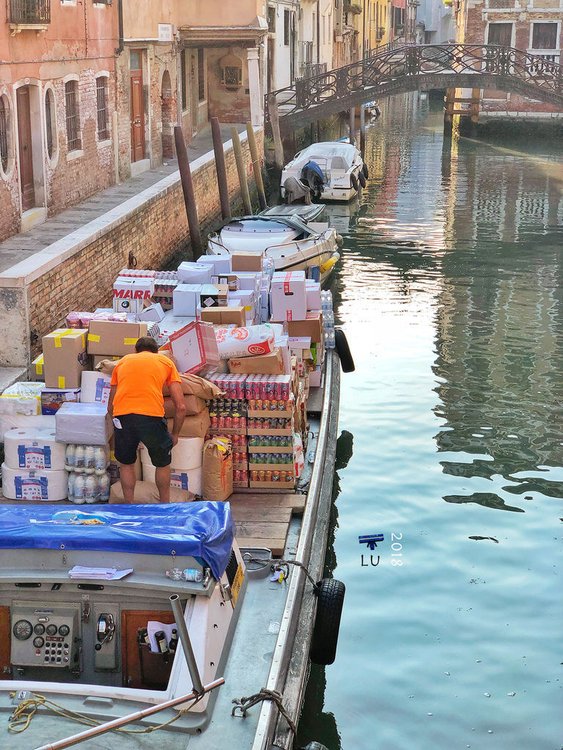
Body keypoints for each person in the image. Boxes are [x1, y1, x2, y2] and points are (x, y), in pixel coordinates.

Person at [108, 336, 186, 503]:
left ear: (136, 351)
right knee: (162, 463)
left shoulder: (122, 363)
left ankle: (130, 505)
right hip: (152, 417)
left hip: (123, 416)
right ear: (156, 351)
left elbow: (110, 406)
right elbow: (181, 407)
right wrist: (175, 434)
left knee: (126, 463)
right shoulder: (164, 362)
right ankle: (164, 505)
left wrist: (118, 425)